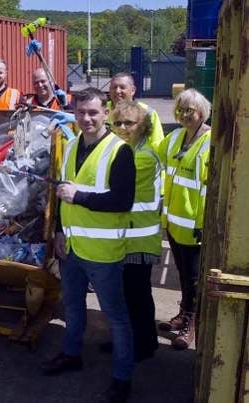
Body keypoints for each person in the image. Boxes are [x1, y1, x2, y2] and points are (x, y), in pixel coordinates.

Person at [41, 87, 135, 403]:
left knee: (116, 317)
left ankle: (122, 380)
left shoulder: (120, 151)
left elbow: (123, 201)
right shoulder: (69, 147)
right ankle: (71, 355)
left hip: (103, 254)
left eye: (93, 112)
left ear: (105, 112)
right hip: (72, 249)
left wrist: (79, 197)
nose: (87, 119)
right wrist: (57, 232)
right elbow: (60, 196)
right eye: (81, 112)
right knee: (72, 306)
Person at [157, 88, 211, 350]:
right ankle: (183, 312)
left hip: (195, 228)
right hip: (174, 224)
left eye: (189, 110)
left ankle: (192, 321)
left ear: (201, 111)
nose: (184, 114)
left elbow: (209, 189)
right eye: (180, 109)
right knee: (183, 274)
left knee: (194, 277)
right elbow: (150, 154)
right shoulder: (175, 137)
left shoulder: (210, 142)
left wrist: (204, 224)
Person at [110, 100, 162, 361]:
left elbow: (108, 179)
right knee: (125, 295)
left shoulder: (140, 157)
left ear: (142, 126)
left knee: (137, 295)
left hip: (138, 240)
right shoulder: (127, 150)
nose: (122, 127)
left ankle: (144, 344)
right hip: (126, 238)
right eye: (117, 123)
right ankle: (126, 340)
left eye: (129, 123)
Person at [107, 72, 164, 150]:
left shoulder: (147, 112)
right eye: (114, 87)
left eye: (122, 87)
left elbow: (157, 144)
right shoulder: (100, 110)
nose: (117, 91)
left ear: (133, 90)